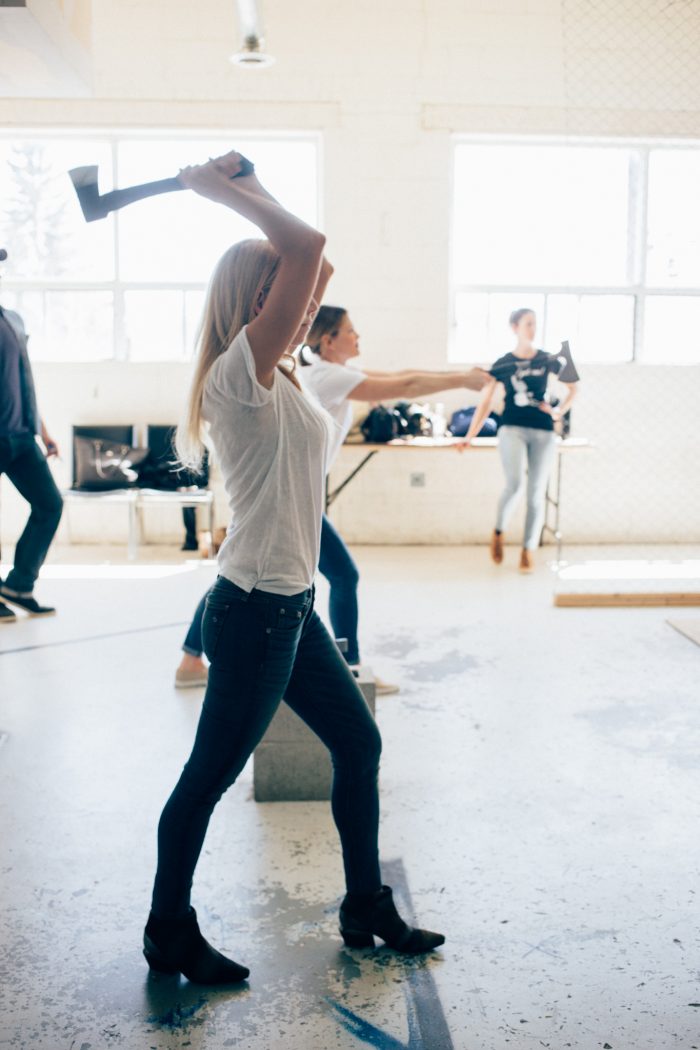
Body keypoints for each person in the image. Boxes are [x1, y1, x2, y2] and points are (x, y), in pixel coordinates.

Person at [145, 151, 444, 985]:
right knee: (205, 780)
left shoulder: (284, 371)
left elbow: (319, 261)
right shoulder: (238, 374)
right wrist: (225, 194)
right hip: (252, 611)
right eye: (286, 289)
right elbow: (308, 247)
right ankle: (168, 929)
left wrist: (254, 186)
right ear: (255, 300)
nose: (310, 302)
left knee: (358, 740)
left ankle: (363, 905)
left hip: (290, 606)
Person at [174, 306, 488, 694]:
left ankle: (190, 659)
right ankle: (350, 670)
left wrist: (463, 376)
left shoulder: (323, 373)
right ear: (328, 340)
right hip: (288, 499)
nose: (358, 338)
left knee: (239, 575)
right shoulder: (329, 375)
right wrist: (463, 380)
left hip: (286, 494)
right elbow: (405, 386)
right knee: (339, 576)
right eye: (351, 331)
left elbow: (398, 377)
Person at [457, 307, 579, 571]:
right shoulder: (503, 363)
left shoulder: (547, 359)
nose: (532, 329)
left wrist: (558, 412)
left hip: (544, 430)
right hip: (512, 427)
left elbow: (573, 387)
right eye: (528, 324)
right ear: (515, 327)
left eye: (535, 324)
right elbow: (486, 402)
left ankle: (528, 549)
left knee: (536, 493)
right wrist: (469, 436)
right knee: (514, 485)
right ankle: (498, 532)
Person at [0, 252, 63, 622]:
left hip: (23, 437)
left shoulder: (13, 319)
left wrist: (44, 430)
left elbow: (22, 378)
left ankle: (19, 584)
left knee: (49, 505)